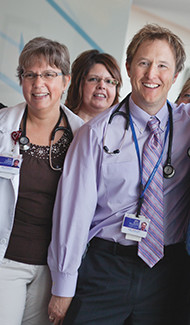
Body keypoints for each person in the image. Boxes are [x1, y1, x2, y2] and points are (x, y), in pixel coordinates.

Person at [48, 24, 190, 325]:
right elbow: (73, 215)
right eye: (143, 63)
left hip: (167, 275)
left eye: (163, 65)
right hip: (105, 269)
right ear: (128, 68)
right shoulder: (94, 134)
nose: (152, 74)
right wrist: (63, 286)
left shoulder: (186, 126)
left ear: (175, 75)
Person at [0, 37, 83, 325]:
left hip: (52, 267)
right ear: (21, 79)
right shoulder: (2, 126)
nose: (39, 84)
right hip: (6, 259)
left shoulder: (83, 136)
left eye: (49, 74)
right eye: (30, 74)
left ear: (66, 80)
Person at [65, 49, 122, 122]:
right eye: (93, 79)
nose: (102, 86)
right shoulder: (59, 121)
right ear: (78, 83)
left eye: (109, 81)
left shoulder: (121, 129)